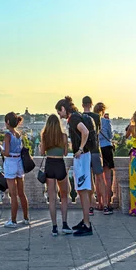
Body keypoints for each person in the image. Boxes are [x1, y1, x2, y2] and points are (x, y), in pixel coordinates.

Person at [56, 96, 93, 236]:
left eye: (59, 112)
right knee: (82, 189)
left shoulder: (74, 119)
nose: (59, 115)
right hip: (84, 156)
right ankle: (85, 221)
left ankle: (87, 224)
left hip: (82, 157)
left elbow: (85, 132)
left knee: (82, 189)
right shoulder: (77, 117)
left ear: (64, 109)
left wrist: (80, 149)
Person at [40, 114, 71, 236]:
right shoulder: (63, 136)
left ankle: (54, 227)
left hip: (49, 164)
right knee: (64, 195)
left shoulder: (45, 136)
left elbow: (42, 152)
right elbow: (65, 153)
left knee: (52, 198)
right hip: (59, 164)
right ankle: (64, 223)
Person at [2, 112, 30, 228]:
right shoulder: (19, 134)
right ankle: (26, 218)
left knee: (13, 194)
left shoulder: (8, 135)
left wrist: (0, 148)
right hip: (19, 164)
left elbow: (7, 153)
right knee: (21, 193)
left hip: (11, 163)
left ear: (8, 122)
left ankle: (13, 221)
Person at [82, 96, 106, 217]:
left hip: (85, 151)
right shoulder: (97, 117)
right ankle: (105, 205)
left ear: (82, 105)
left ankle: (91, 206)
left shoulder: (79, 117)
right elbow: (98, 131)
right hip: (96, 150)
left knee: (89, 179)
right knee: (100, 178)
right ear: (91, 104)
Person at [95, 102, 114, 214]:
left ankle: (100, 203)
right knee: (107, 178)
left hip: (98, 149)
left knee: (98, 178)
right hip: (107, 148)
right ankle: (108, 203)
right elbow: (110, 136)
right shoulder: (106, 121)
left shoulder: (93, 121)